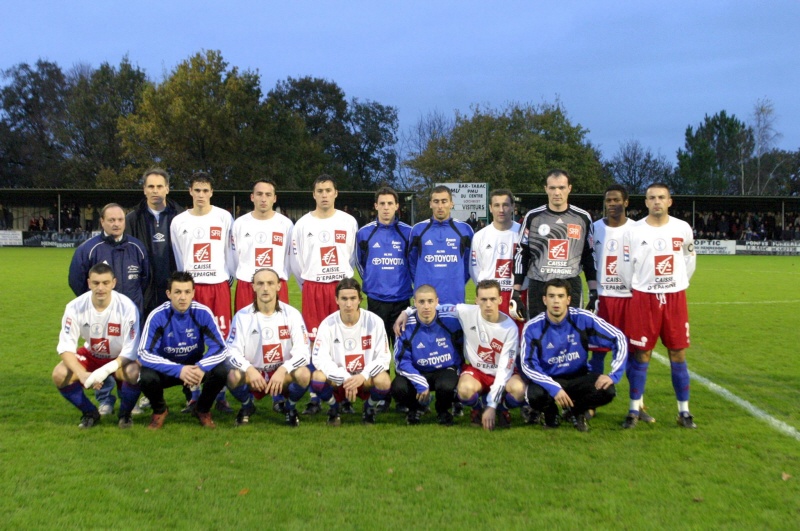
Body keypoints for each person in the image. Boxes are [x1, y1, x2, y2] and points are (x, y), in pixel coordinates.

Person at [619, 182, 697, 429]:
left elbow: (689, 258)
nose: (657, 201)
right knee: (642, 353)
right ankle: (633, 409)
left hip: (674, 298)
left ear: (669, 201)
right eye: (652, 197)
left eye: (661, 197)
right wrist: (638, 287)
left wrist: (678, 283)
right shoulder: (634, 231)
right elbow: (624, 267)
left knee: (678, 353)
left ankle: (684, 413)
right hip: (644, 298)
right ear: (645, 202)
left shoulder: (682, 228)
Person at [394, 280, 519, 430]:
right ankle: (477, 408)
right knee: (464, 390)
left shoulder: (510, 328)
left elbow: (505, 370)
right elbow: (432, 307)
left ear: (500, 299)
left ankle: (502, 408)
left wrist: (492, 406)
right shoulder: (465, 312)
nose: (488, 304)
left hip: (500, 372)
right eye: (483, 299)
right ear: (476, 300)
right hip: (478, 372)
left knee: (519, 390)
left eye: (492, 299)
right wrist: (406, 312)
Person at [508, 278, 627, 432]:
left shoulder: (582, 318)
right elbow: (528, 364)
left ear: (568, 299)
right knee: (534, 395)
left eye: (560, 296)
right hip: (549, 378)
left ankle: (576, 412)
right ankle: (551, 414)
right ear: (544, 300)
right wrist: (554, 388)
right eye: (551, 296)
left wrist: (613, 375)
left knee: (608, 390)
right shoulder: (533, 327)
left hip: (578, 377)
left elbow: (619, 338)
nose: (556, 301)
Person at [67, 203, 149, 415]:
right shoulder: (88, 248)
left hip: (130, 318)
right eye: (111, 220)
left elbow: (146, 280)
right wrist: (96, 307)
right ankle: (105, 399)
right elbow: (76, 281)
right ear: (102, 222)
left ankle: (128, 402)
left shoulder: (137, 248)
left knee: (128, 359)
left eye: (120, 220)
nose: (116, 224)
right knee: (101, 355)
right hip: (100, 319)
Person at [290, 175, 358, 415]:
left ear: (336, 193)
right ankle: (314, 396)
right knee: (314, 340)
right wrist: (308, 283)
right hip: (314, 288)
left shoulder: (348, 222)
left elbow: (351, 257)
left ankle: (345, 394)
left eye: (328, 190)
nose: (324, 194)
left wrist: (343, 284)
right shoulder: (302, 225)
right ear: (314, 194)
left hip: (341, 288)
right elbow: (296, 263)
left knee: (344, 338)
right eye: (320, 190)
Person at [170, 172, 235, 412]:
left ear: (211, 192)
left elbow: (230, 252)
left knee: (220, 339)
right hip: (192, 289)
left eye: (205, 190)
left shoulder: (223, 217)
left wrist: (226, 277)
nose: (201, 195)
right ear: (190, 191)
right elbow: (179, 257)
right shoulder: (178, 222)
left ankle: (220, 394)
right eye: (197, 190)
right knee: (191, 339)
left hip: (218, 286)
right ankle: (194, 395)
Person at [589, 184, 653, 423]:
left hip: (631, 300)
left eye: (617, 200)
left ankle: (637, 405)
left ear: (626, 203)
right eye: (608, 200)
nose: (612, 204)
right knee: (597, 353)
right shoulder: (594, 229)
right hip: (603, 299)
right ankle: (591, 403)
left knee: (636, 353)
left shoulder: (638, 229)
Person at [52, 264, 141, 429]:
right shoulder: (74, 307)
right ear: (89, 283)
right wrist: (81, 374)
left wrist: (105, 371)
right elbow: (65, 347)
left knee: (135, 372)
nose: (101, 288)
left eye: (105, 283)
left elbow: (132, 349)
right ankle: (90, 413)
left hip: (119, 358)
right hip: (91, 355)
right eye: (96, 283)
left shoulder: (128, 307)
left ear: (114, 283)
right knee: (59, 374)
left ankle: (125, 415)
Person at [137, 271, 229, 429]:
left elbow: (220, 347)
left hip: (195, 369)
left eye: (187, 292)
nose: (183, 297)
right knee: (145, 376)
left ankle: (202, 409)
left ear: (193, 293)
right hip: (167, 369)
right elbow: (144, 353)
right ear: (168, 294)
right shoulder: (157, 316)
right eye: (177, 292)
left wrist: (201, 367)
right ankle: (160, 410)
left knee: (221, 371)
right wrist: (178, 370)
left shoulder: (202, 313)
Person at [225, 268, 311, 427]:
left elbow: (304, 352)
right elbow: (231, 352)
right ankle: (247, 406)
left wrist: (283, 369)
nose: (265, 288)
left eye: (270, 283)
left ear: (279, 286)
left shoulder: (292, 314)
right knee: (232, 376)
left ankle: (290, 408)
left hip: (282, 374)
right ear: (253, 287)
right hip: (254, 373)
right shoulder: (242, 316)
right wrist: (249, 369)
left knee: (304, 374)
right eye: (260, 283)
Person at [513, 169, 597, 319]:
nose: (557, 192)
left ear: (569, 188)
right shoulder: (533, 217)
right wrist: (516, 292)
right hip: (539, 284)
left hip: (570, 285)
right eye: (552, 188)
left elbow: (589, 255)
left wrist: (593, 292)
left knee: (571, 335)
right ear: (546, 189)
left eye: (561, 187)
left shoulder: (582, 218)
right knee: (538, 335)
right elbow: (522, 253)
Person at [309, 278, 392, 426]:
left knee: (384, 380)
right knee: (317, 377)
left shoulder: (374, 322)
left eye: (353, 298)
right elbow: (319, 358)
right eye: (344, 299)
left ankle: (369, 408)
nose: (348, 304)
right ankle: (334, 408)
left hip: (364, 379)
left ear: (360, 299)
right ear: (336, 300)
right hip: (339, 380)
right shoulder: (327, 324)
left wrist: (363, 376)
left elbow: (384, 357)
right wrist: (345, 377)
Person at [391, 285, 462, 426]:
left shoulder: (451, 320)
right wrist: (420, 382)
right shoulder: (405, 326)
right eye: (421, 302)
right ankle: (415, 409)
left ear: (437, 302)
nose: (426, 306)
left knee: (447, 385)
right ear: (415, 303)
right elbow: (401, 361)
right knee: (398, 387)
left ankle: (443, 411)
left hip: (444, 370)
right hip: (418, 371)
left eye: (430, 301)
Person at [125, 167, 184, 317]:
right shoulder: (132, 219)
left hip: (174, 288)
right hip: (145, 291)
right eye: (151, 186)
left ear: (167, 189)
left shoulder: (181, 217)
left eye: (159, 186)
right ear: (144, 189)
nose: (155, 190)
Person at [232, 180, 294, 311]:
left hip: (276, 285)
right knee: (245, 329)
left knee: (277, 328)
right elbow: (234, 257)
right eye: (259, 194)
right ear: (252, 197)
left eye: (268, 194)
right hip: (247, 285)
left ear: (275, 198)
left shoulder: (286, 225)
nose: (263, 199)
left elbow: (290, 259)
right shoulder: (240, 224)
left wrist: (276, 276)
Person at [408, 185, 474, 305]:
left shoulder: (465, 230)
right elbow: (411, 262)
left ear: (451, 203)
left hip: (454, 296)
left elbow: (469, 263)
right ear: (430, 204)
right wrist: (420, 281)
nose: (440, 206)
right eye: (436, 201)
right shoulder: (418, 229)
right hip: (425, 299)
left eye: (444, 201)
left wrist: (457, 281)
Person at [470, 189, 522, 316]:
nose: (501, 210)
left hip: (516, 294)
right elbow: (474, 268)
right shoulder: (480, 236)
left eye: (505, 205)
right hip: (490, 297)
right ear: (490, 208)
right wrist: (487, 291)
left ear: (513, 207)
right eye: (497, 205)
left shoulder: (523, 233)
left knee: (517, 334)